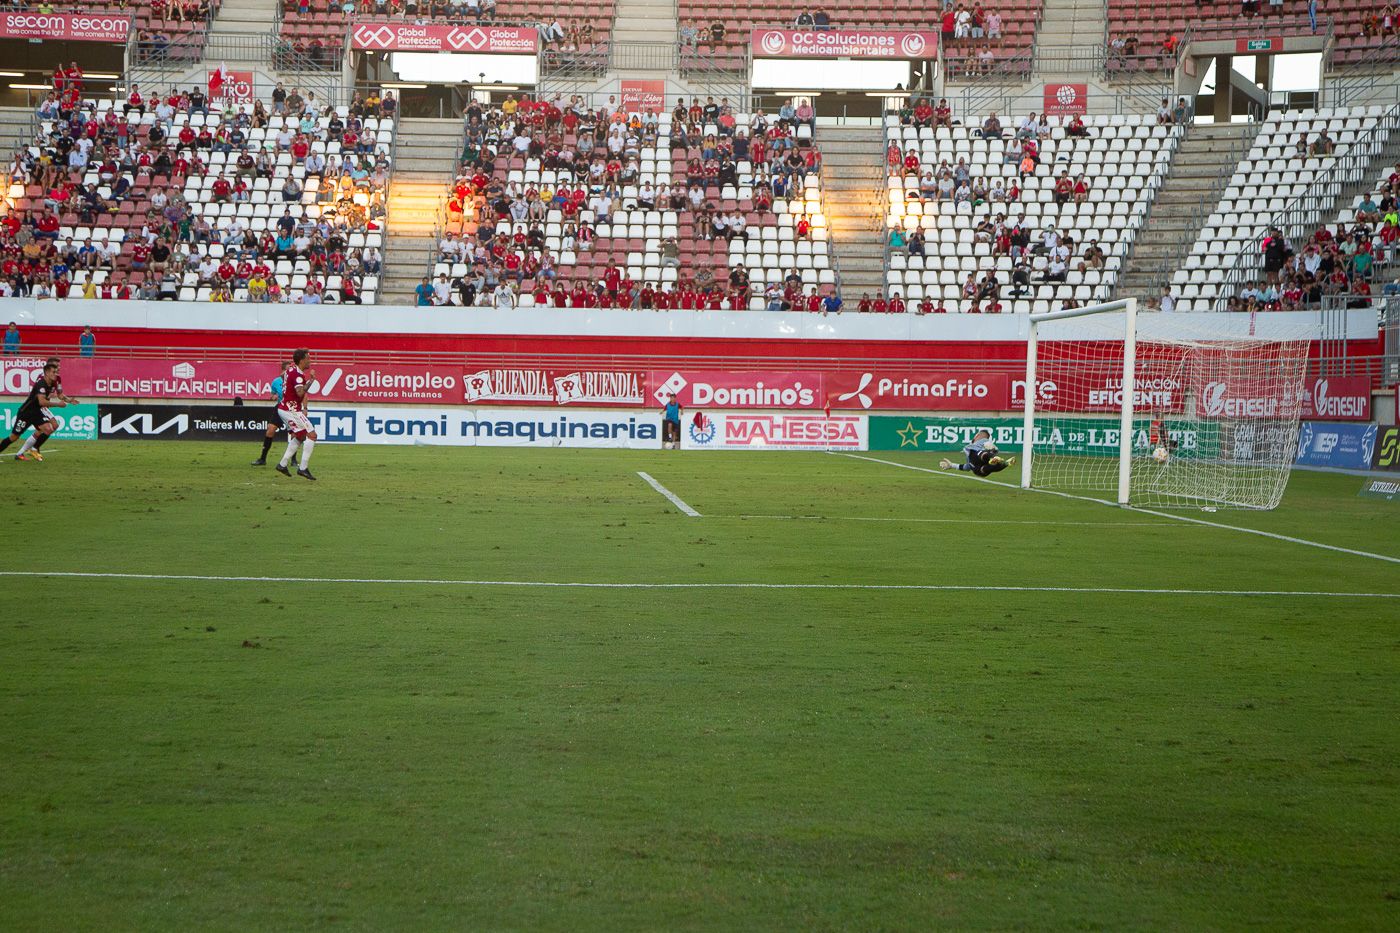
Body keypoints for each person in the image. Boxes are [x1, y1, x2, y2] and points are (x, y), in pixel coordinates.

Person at [1, 358, 78, 461]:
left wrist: (69, 400)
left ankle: (34, 448)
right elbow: (42, 402)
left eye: (57, 369)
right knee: (14, 437)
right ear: (47, 372)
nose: (57, 371)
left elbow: (60, 394)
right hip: (26, 413)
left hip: (37, 412)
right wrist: (57, 404)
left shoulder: (56, 380)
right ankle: (23, 451)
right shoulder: (41, 383)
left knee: (49, 428)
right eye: (54, 370)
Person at [275, 348, 318, 481]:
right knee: (312, 435)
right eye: (308, 358)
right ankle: (303, 468)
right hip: (291, 410)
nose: (310, 361)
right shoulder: (298, 375)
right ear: (301, 360)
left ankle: (282, 464)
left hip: (284, 407)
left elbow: (285, 378)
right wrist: (311, 380)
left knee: (300, 436)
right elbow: (300, 393)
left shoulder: (291, 370)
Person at [252, 360, 290, 467]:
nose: (289, 371)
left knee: (294, 434)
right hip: (280, 407)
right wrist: (274, 396)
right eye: (288, 369)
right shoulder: (276, 382)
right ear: (283, 370)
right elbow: (273, 394)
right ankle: (262, 459)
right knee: (270, 430)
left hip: (291, 408)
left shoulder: (294, 381)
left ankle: (294, 460)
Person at [939, 429, 1014, 477]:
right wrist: (952, 465)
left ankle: (994, 459)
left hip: (980, 463)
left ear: (976, 435)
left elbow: (989, 445)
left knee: (981, 457)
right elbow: (968, 467)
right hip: (977, 467)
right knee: (985, 467)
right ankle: (1004, 463)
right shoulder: (969, 449)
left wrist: (992, 449)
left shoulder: (982, 442)